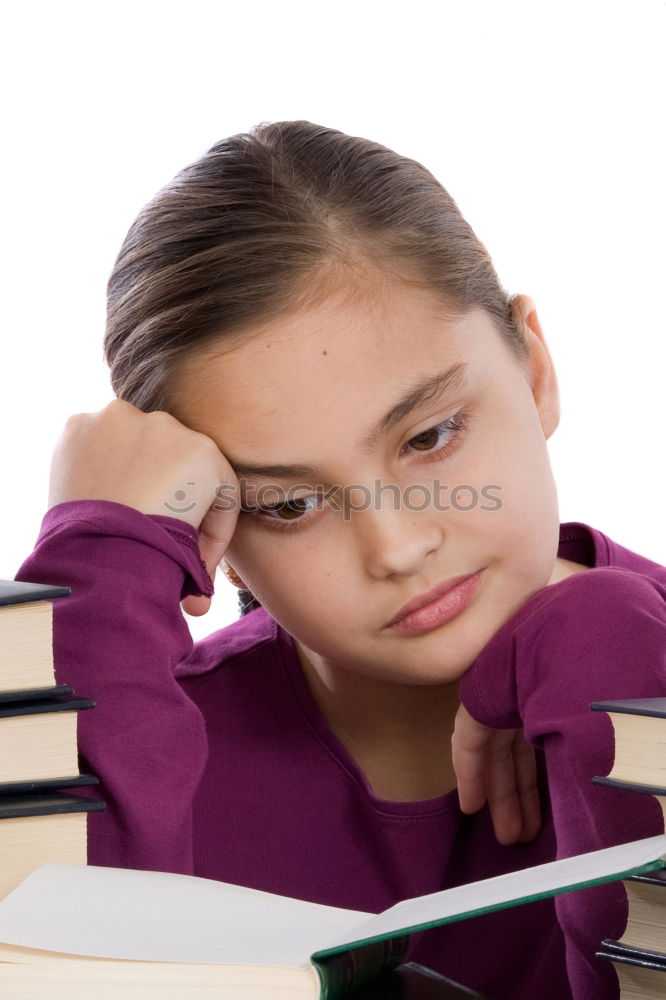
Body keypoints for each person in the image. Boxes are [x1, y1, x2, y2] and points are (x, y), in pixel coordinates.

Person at [15, 120, 665, 1000]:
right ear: (221, 537)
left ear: (536, 368)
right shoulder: (140, 747)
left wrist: (609, 662)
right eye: (288, 504)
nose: (397, 545)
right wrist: (102, 556)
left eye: (431, 436)